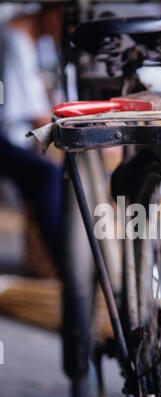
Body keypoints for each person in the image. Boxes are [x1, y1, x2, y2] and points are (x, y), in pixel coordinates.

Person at [0, 4, 64, 264]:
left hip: (18, 131)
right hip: (6, 134)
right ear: (52, 14)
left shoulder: (38, 41)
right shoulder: (14, 42)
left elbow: (45, 88)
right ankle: (64, 262)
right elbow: (31, 113)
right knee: (48, 174)